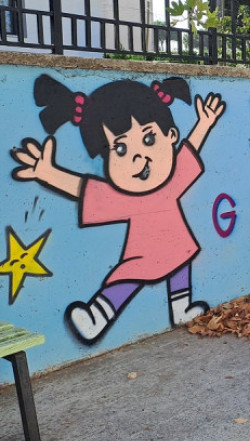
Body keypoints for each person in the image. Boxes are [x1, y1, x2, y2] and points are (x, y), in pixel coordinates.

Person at [10, 75, 226, 344]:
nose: (138, 157)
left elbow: (190, 149)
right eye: (120, 148)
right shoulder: (123, 198)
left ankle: (181, 308)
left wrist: (204, 123)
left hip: (177, 244)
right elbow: (84, 189)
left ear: (170, 135)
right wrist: (48, 173)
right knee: (129, 278)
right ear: (106, 158)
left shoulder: (173, 179)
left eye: (148, 139)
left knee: (181, 264)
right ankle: (96, 316)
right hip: (143, 255)